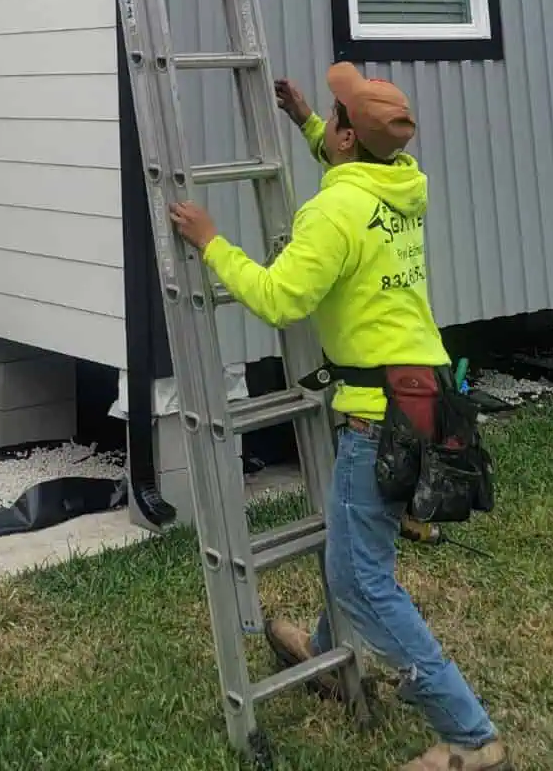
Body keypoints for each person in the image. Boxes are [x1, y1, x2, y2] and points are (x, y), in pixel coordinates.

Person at [168, 63, 508, 771]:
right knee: (353, 545)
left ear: (351, 139)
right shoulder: (405, 186)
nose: (326, 117)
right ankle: (327, 654)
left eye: (334, 115)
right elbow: (357, 169)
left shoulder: (331, 214)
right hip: (426, 394)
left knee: (362, 578)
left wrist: (209, 240)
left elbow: (276, 298)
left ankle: (473, 740)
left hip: (377, 417)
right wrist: (307, 126)